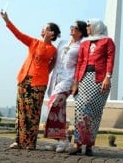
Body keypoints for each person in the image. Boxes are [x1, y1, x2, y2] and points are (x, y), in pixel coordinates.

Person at [0, 10, 61, 150]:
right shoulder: (33, 42)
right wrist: (7, 21)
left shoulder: (52, 49)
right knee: (20, 111)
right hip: (23, 79)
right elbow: (19, 35)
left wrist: (44, 73)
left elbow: (51, 63)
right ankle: (18, 140)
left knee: (32, 112)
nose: (42, 29)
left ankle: (29, 143)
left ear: (51, 33)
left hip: (38, 83)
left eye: (45, 28)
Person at [69, 19, 115, 156]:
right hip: (84, 79)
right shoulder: (85, 43)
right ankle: (77, 144)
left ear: (96, 26)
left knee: (94, 112)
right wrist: (76, 82)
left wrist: (108, 77)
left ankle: (89, 145)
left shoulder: (107, 41)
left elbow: (110, 60)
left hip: (99, 80)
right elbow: (80, 62)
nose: (87, 28)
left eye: (89, 26)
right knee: (80, 110)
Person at [44, 21, 88, 153]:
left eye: (74, 28)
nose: (72, 29)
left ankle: (62, 140)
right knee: (58, 110)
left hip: (68, 80)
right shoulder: (62, 42)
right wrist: (46, 73)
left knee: (54, 104)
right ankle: (61, 141)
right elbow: (54, 60)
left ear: (80, 31)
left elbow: (80, 66)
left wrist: (76, 83)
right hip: (56, 78)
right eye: (71, 27)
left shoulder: (82, 46)